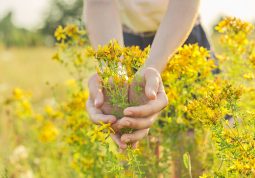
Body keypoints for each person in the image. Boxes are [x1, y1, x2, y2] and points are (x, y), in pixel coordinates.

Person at [84, 0, 210, 149]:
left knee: (189, 142)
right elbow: (100, 3)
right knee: (136, 143)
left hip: (180, 33)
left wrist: (153, 67)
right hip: (123, 38)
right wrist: (113, 74)